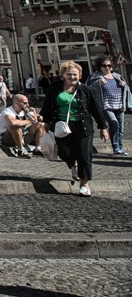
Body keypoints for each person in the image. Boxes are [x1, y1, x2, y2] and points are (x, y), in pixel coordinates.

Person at [41, 60, 109, 197]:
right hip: (62, 126)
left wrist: (103, 127)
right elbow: (47, 105)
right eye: (69, 74)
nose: (72, 77)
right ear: (63, 75)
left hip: (83, 126)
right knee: (64, 152)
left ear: (80, 75)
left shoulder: (85, 90)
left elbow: (96, 109)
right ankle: (73, 164)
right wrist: (46, 121)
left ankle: (84, 184)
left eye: (75, 75)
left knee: (85, 155)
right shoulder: (55, 88)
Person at [87, 54, 127, 156]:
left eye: (109, 65)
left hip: (119, 105)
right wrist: (98, 83)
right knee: (114, 123)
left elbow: (126, 90)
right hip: (106, 105)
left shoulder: (117, 76)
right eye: (104, 66)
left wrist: (124, 85)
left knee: (121, 127)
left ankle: (120, 146)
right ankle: (115, 146)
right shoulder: (95, 77)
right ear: (100, 67)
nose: (107, 68)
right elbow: (88, 89)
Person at [0, 93, 45, 157]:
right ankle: (20, 149)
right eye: (25, 103)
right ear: (17, 103)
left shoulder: (25, 110)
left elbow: (39, 120)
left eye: (27, 103)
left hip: (22, 135)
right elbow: (12, 122)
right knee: (15, 126)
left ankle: (38, 148)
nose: (27, 105)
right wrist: (29, 121)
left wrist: (36, 115)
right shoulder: (8, 111)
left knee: (41, 125)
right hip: (8, 138)